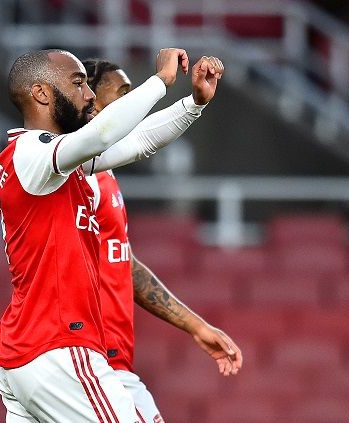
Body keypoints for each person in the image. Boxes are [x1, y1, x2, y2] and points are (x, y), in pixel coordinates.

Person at [0, 47, 195, 423]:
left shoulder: (59, 164)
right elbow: (102, 136)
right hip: (57, 345)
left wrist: (193, 103)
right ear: (41, 93)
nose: (89, 95)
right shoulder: (30, 152)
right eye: (78, 82)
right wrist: (160, 82)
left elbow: (136, 143)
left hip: (23, 354)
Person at [82, 57, 242, 423]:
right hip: (91, 364)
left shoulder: (102, 177)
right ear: (90, 102)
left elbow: (124, 265)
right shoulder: (68, 170)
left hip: (108, 362)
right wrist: (182, 95)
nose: (132, 103)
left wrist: (195, 325)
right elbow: (141, 139)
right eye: (123, 94)